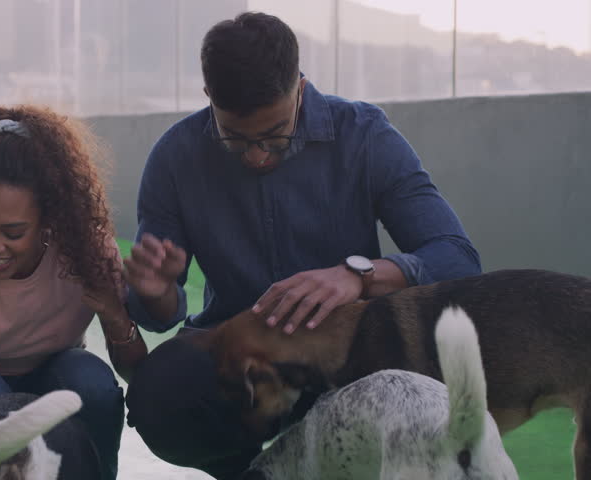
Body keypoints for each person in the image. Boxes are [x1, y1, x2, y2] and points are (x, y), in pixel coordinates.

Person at [122, 11, 481, 480]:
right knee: (158, 396)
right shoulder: (175, 157)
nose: (257, 155)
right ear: (209, 97)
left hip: (351, 355)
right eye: (236, 139)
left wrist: (357, 275)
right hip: (245, 362)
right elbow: (160, 317)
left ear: (301, 88)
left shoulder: (365, 135)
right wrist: (155, 292)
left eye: (275, 136)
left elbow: (457, 259)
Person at [0, 105, 146, 480]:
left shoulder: (88, 254)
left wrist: (115, 314)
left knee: (92, 384)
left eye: (13, 232)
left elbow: (134, 373)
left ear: (49, 218)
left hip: (55, 370)